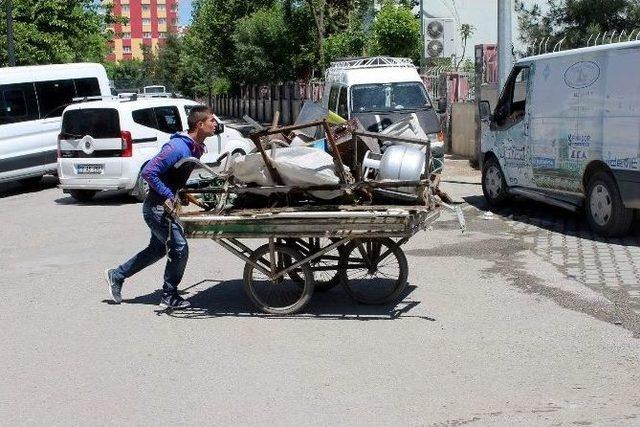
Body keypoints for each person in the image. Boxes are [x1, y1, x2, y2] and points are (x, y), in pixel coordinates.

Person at [104, 106, 217, 309]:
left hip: (162, 207)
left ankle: (117, 274)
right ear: (200, 125)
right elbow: (149, 172)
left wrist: (180, 193)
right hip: (157, 208)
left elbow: (173, 177)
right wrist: (167, 194)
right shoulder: (177, 148)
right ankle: (169, 294)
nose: (215, 124)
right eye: (212, 120)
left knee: (156, 250)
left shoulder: (194, 147)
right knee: (179, 248)